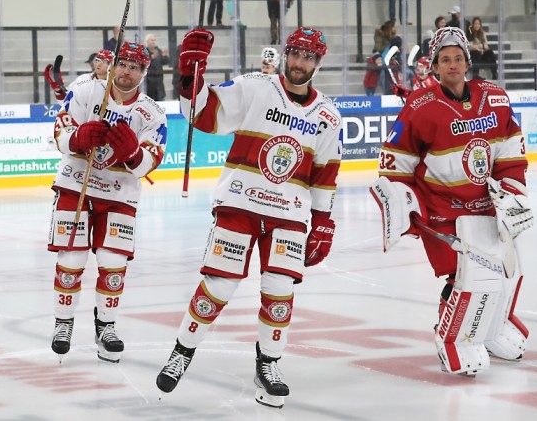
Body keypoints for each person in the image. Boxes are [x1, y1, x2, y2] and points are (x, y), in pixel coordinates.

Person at [155, 27, 342, 408]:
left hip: (289, 214)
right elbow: (204, 115)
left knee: (280, 291)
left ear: (318, 63)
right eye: (295, 53)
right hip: (240, 202)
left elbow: (325, 173)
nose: (299, 62)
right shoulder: (255, 86)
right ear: (286, 54)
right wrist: (189, 77)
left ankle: (268, 364)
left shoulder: (328, 115)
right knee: (219, 286)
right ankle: (182, 352)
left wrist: (322, 221)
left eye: (308, 57)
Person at [370, 26, 533, 377]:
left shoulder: (494, 96)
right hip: (443, 210)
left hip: (485, 206)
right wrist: (403, 203)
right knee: (468, 276)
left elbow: (509, 147)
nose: (453, 64)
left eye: (458, 58)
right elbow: (395, 160)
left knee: (509, 271)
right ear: (436, 66)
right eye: (446, 59)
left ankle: (491, 329)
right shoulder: (421, 105)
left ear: (467, 61)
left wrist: (512, 190)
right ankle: (453, 338)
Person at [47, 41, 167, 364]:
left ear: (144, 72)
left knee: (113, 262)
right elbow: (60, 130)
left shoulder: (152, 113)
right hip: (76, 185)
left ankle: (107, 327)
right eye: (123, 64)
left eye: (135, 67)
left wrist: (133, 153)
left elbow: (151, 161)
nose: (127, 71)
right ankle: (63, 323)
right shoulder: (87, 92)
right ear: (113, 64)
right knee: (71, 258)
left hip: (120, 194)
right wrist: (78, 138)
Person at [145, 33, 169, 101]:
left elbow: (165, 62)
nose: (153, 42)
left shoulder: (158, 50)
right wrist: (152, 57)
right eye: (152, 40)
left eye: (154, 40)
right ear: (147, 41)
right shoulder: (145, 51)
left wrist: (165, 56)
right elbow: (143, 63)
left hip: (159, 82)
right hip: (150, 82)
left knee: (161, 101)